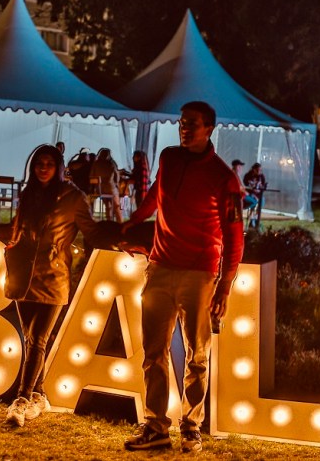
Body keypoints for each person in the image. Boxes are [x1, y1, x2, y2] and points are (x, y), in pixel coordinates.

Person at [122, 101, 244, 453]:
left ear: (209, 128)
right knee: (153, 352)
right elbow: (155, 194)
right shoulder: (169, 158)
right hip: (160, 267)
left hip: (199, 274)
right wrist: (134, 221)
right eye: (182, 122)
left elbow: (235, 236)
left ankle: (191, 427)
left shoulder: (224, 178)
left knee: (197, 355)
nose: (185, 128)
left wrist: (224, 285)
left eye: (192, 123)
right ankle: (155, 426)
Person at [3, 144, 115, 427]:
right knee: (30, 339)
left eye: (49, 164)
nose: (43, 168)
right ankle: (39, 394)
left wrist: (119, 242)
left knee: (39, 339)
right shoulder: (28, 193)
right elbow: (15, 229)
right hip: (22, 274)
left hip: (53, 276)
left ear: (59, 167)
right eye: (39, 163)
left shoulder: (73, 197)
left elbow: (91, 231)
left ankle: (21, 400)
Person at [89, 148, 121, 222]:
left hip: (99, 190)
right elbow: (117, 178)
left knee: (107, 205)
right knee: (117, 206)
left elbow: (91, 177)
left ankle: (109, 221)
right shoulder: (111, 164)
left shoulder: (96, 164)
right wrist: (116, 184)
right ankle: (120, 223)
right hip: (110, 189)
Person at [243, 162, 267, 230]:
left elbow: (264, 187)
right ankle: (252, 220)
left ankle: (255, 218)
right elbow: (245, 186)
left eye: (260, 170)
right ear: (254, 169)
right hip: (250, 194)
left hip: (258, 195)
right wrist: (253, 194)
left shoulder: (261, 176)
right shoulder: (248, 176)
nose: (259, 171)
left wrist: (262, 187)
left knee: (261, 201)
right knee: (255, 202)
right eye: (258, 170)